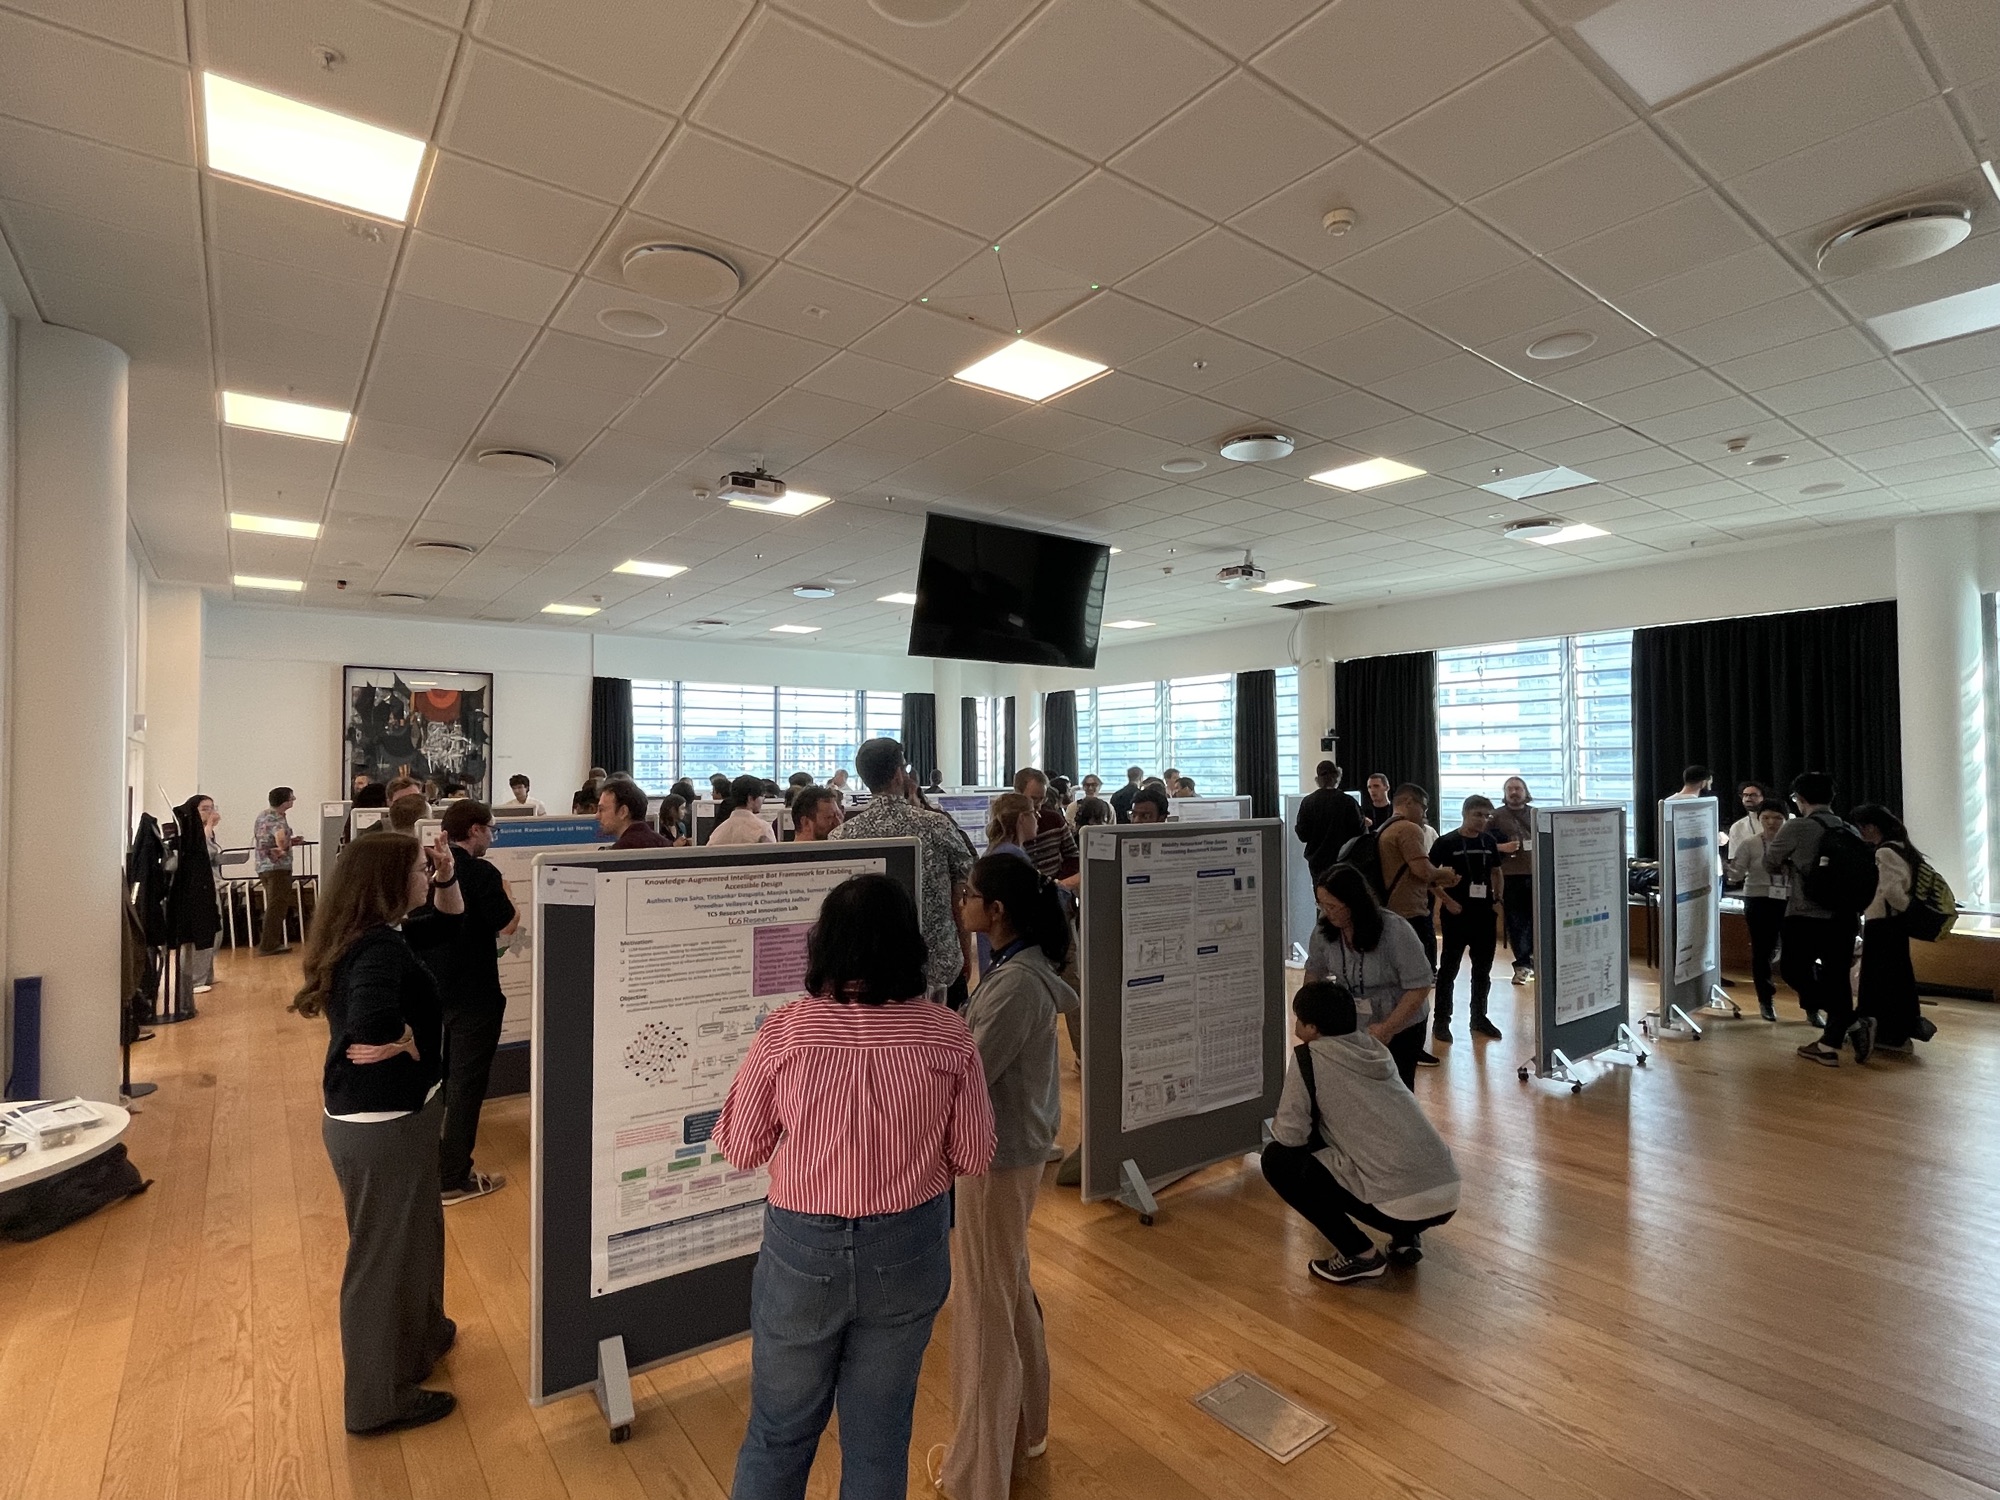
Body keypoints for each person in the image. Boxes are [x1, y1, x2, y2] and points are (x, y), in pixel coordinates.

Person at [715, 875, 995, 1500]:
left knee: (778, 1432)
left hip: (801, 1246)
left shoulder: (786, 1032)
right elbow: (974, 1155)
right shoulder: (949, 1034)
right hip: (910, 1246)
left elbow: (741, 1145)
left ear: (825, 946)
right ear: (910, 946)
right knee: (879, 1439)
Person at [291, 829, 465, 1435]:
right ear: (390, 882)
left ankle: (421, 1339)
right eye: (420, 868)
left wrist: (446, 874)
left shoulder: (371, 934)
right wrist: (405, 1043)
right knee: (381, 1257)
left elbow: (449, 926)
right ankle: (375, 1399)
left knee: (415, 1236)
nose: (428, 874)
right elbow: (370, 1024)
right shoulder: (380, 950)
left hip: (388, 1119)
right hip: (383, 1125)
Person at [932, 855, 1069, 1500]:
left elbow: (971, 1073)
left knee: (984, 1308)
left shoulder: (1015, 984)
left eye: (969, 895)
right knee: (1008, 1287)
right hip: (1009, 1148)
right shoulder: (1016, 969)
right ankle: (1024, 1429)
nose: (961, 903)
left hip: (997, 1155)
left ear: (998, 910)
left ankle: (977, 1473)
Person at [1260, 980, 1461, 1284]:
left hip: (1399, 1202)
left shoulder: (1308, 1058)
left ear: (1312, 1028)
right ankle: (1406, 1237)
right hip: (1447, 1191)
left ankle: (1360, 1254)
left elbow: (1290, 1136)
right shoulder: (1375, 1049)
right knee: (1381, 1140)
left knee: (1278, 1160)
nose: (1296, 1026)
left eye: (1299, 1020)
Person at [411, 800, 519, 1203]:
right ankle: (453, 1178)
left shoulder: (425, 870)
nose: (492, 836)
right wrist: (509, 893)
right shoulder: (482, 873)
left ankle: (429, 1163)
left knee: (437, 1082)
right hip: (475, 994)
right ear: (474, 830)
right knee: (466, 1087)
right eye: (491, 829)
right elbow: (507, 923)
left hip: (432, 992)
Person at [830, 738, 976, 1003]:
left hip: (870, 972)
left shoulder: (841, 837)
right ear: (899, 774)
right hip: (938, 970)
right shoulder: (937, 826)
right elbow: (960, 893)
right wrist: (965, 952)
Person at [1303, 865, 1435, 1089]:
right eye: (1321, 905)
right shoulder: (1325, 931)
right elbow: (1314, 971)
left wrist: (1388, 1027)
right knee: (1357, 1089)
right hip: (1353, 1022)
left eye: (1332, 906)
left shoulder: (1395, 930)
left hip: (1401, 1022)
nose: (1327, 912)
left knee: (1396, 1089)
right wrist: (1309, 1015)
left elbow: (1420, 986)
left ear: (1353, 902)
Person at [1765, 772, 1862, 1065]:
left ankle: (1848, 1020)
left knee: (1792, 969)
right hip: (1845, 916)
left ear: (1800, 799)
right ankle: (1831, 1043)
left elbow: (1769, 861)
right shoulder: (1849, 829)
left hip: (1805, 913)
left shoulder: (1797, 827)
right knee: (1837, 977)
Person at [1850, 804, 1930, 1056]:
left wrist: (1904, 911)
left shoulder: (1885, 851)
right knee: (1896, 979)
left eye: (1861, 827)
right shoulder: (1902, 848)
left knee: (1880, 980)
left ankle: (1884, 1032)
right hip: (1893, 924)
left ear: (1871, 827)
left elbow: (1892, 890)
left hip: (1884, 923)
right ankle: (1894, 1032)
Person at [1430, 796, 1505, 1043]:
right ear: (1464, 814)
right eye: (1478, 815)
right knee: (1449, 970)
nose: (1483, 820)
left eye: (1486, 816)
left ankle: (1479, 1017)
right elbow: (1428, 878)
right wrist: (1447, 901)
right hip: (1456, 914)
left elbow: (1496, 871)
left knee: (1483, 970)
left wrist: (1497, 897)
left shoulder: (1488, 841)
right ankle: (1442, 1021)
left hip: (1483, 914)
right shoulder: (1446, 842)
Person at [1377, 784, 1458, 964]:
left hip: (1388, 908)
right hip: (1410, 912)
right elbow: (1424, 871)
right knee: (1420, 970)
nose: (1424, 814)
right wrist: (1445, 873)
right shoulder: (1408, 829)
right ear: (1408, 802)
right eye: (1423, 807)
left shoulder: (1384, 828)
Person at [1727, 804, 1791, 1022]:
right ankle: (1765, 1000)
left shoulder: (1793, 841)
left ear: (1786, 819)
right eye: (1766, 817)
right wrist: (1728, 869)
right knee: (1762, 951)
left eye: (1777, 817)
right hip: (1759, 899)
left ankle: (1810, 1004)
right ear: (1759, 819)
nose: (1771, 822)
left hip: (1789, 898)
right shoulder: (1750, 843)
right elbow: (1736, 874)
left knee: (1796, 951)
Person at [167, 793, 223, 1003]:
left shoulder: (206, 832)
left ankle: (206, 975)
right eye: (204, 809)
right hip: (195, 891)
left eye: (212, 807)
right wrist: (208, 827)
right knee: (197, 937)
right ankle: (195, 980)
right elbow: (200, 852)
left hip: (211, 885)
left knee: (214, 933)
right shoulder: (190, 833)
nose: (210, 812)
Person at [1487, 778, 1535, 983]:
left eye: (1518, 788)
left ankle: (1536, 960)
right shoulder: (1495, 816)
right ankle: (1522, 964)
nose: (1514, 792)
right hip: (1510, 876)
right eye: (1510, 789)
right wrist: (1502, 848)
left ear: (1525, 791)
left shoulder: (1536, 814)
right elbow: (1482, 842)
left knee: (1537, 920)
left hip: (1536, 876)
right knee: (1516, 922)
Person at [1295, 760, 1365, 879]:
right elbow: (1359, 831)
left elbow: (1303, 835)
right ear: (1337, 777)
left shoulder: (1308, 802)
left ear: (1318, 780)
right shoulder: (1348, 802)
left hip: (1317, 863)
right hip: (1344, 862)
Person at [1014, 767, 1079, 885]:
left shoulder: (1054, 820)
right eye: (1033, 799)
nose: (1038, 805)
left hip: (1056, 887)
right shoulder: (1009, 825)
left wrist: (1059, 883)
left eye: (1042, 799)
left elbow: (1073, 856)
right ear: (1018, 793)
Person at [255, 786, 298, 955]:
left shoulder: (263, 815)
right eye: (291, 797)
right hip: (278, 867)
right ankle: (269, 944)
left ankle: (269, 943)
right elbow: (280, 838)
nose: (294, 800)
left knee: (272, 904)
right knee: (277, 907)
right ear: (284, 801)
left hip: (263, 866)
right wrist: (284, 847)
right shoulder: (278, 819)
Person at [710, 774, 779, 846]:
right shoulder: (763, 829)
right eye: (762, 796)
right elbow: (773, 852)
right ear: (750, 798)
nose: (763, 800)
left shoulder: (718, 832)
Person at [598, 779, 668, 849]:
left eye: (601, 810)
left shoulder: (621, 850)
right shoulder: (666, 844)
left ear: (623, 812)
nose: (597, 816)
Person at [1725, 780, 1767, 849]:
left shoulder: (1778, 820)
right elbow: (1734, 854)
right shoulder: (1737, 827)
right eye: (1745, 795)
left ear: (1763, 797)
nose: (1748, 798)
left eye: (1753, 795)